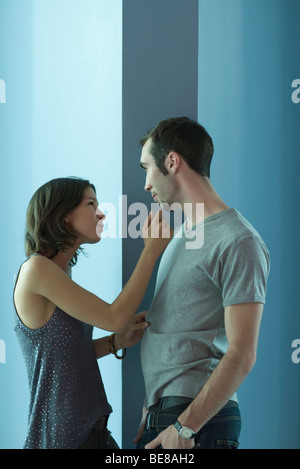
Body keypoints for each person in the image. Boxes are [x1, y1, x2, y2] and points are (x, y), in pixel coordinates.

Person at [135, 117, 270, 450]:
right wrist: (153, 408)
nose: (145, 184)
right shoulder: (183, 235)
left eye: (147, 167)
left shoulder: (238, 240)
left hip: (195, 425)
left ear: (172, 161)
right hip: (167, 417)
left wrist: (184, 428)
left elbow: (242, 354)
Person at [13, 177, 171, 449]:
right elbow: (114, 317)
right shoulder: (36, 270)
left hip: (91, 435)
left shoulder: (60, 273)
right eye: (90, 204)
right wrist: (151, 250)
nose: (101, 213)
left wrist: (117, 342)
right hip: (63, 440)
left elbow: (67, 353)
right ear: (63, 215)